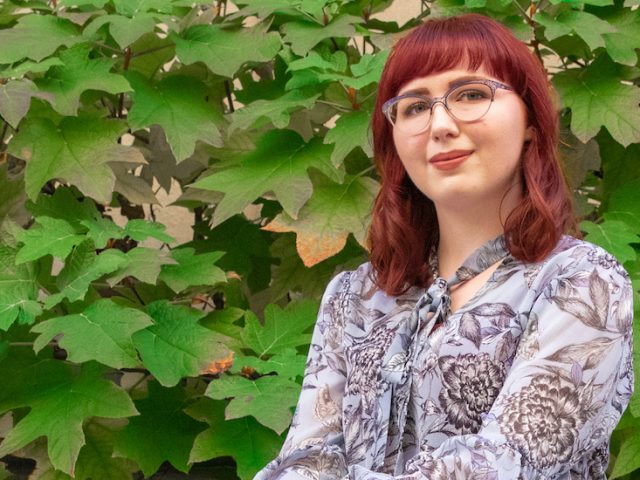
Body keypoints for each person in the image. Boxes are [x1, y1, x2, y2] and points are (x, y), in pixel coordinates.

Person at [254, 13, 634, 480]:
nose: (440, 124)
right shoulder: (353, 297)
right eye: (414, 107)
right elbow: (306, 458)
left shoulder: (583, 283)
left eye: (471, 94)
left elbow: (504, 466)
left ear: (531, 121)